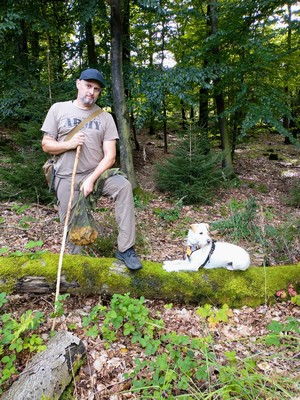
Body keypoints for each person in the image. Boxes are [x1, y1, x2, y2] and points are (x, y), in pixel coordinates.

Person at [41, 68, 142, 271]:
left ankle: (126, 249)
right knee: (73, 227)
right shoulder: (58, 109)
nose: (91, 92)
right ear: (78, 84)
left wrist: (92, 179)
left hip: (96, 174)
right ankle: (77, 269)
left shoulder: (105, 118)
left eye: (96, 89)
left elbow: (110, 156)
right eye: (88, 86)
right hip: (66, 176)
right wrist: (68, 144)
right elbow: (46, 145)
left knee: (123, 186)